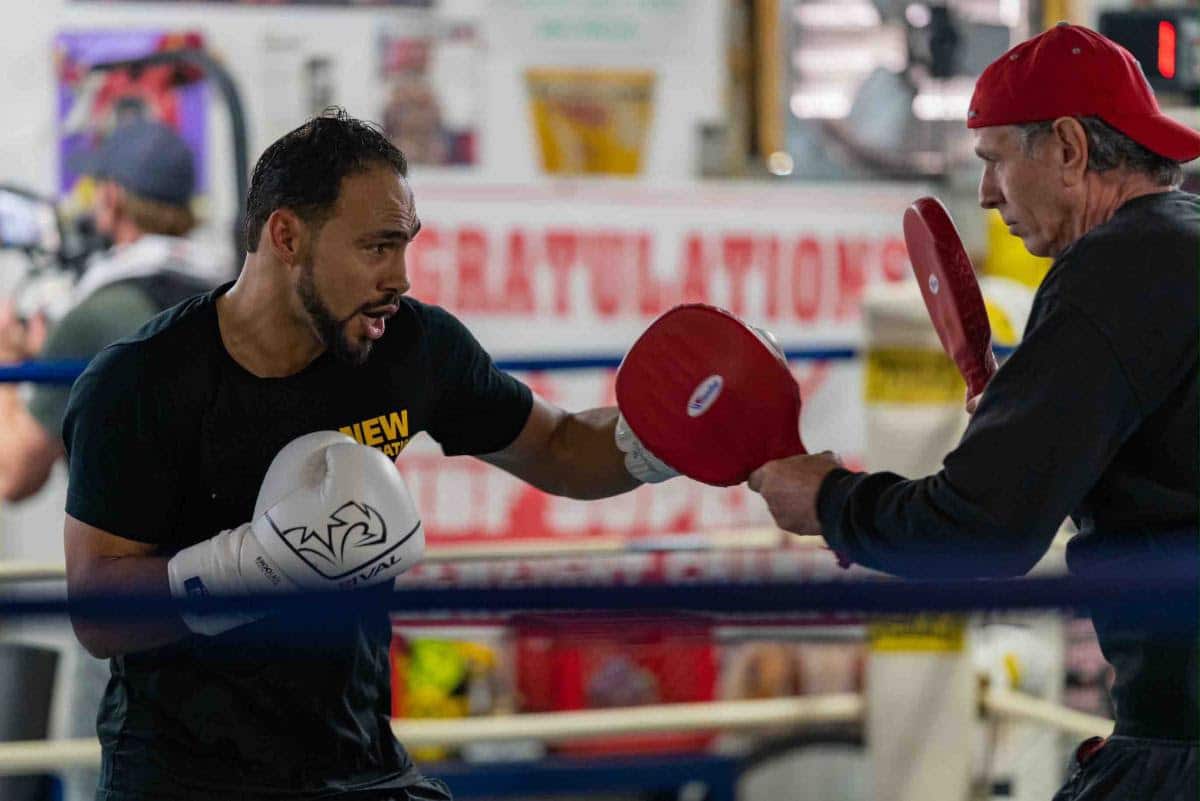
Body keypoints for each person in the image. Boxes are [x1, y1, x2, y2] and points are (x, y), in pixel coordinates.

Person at [61, 109, 671, 801]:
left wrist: (668, 437)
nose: (401, 276)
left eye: (405, 245)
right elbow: (95, 609)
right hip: (184, 778)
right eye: (377, 247)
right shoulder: (143, 383)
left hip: (358, 765)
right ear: (286, 235)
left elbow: (559, 447)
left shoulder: (412, 349)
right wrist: (253, 565)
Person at [748, 24, 1197, 800]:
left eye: (994, 162)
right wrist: (1035, 411)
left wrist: (827, 499)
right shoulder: (1181, 245)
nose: (987, 194)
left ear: (1066, 149)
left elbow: (982, 531)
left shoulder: (1109, 272)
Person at [0, 117, 225, 502]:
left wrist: (7, 356)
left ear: (112, 198)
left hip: (133, 556)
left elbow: (12, 476)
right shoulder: (218, 287)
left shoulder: (96, 316)